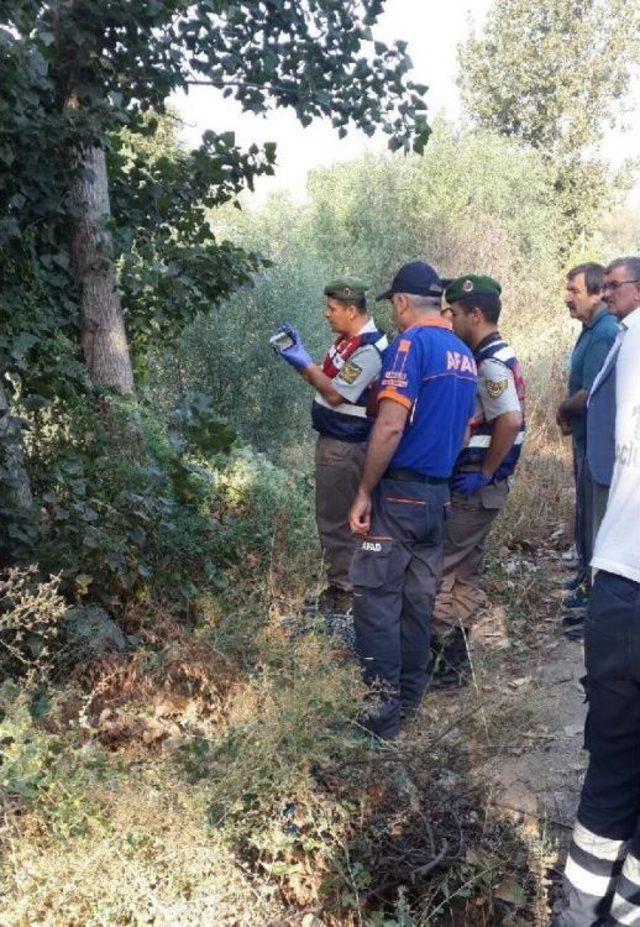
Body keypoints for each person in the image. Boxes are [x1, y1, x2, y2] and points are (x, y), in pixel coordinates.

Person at [347, 261, 477, 740]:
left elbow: (390, 423)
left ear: (401, 302)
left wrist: (364, 491)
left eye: (394, 306)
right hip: (438, 499)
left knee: (378, 602)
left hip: (399, 494)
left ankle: (380, 720)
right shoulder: (463, 353)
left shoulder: (410, 345)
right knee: (418, 601)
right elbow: (465, 428)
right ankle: (409, 702)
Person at [559, 257, 640, 926]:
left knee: (612, 768)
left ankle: (580, 913)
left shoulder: (626, 339)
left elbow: (604, 441)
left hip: (619, 583)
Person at [431, 276, 526, 687]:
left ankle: (439, 662)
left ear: (476, 315)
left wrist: (485, 471)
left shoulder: (489, 360)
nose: (447, 321)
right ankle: (455, 666)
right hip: (482, 488)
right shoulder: (494, 354)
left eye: (452, 313)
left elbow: (509, 419)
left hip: (476, 485)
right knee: (466, 572)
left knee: (439, 570)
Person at [273, 279, 388, 614]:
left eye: (332, 309)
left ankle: (346, 596)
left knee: (336, 520)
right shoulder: (347, 343)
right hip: (335, 442)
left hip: (345, 446)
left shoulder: (369, 349)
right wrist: (302, 361)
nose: (327, 315)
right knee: (335, 518)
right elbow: (327, 383)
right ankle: (345, 589)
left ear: (352, 310)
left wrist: (302, 361)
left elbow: (337, 393)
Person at [555, 264, 618, 631]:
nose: (568, 297)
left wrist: (564, 409)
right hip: (584, 442)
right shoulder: (590, 330)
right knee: (586, 520)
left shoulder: (605, 332)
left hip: (598, 448)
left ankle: (598, 614)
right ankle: (588, 592)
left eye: (574, 291)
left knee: (598, 527)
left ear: (596, 294)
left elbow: (591, 393)